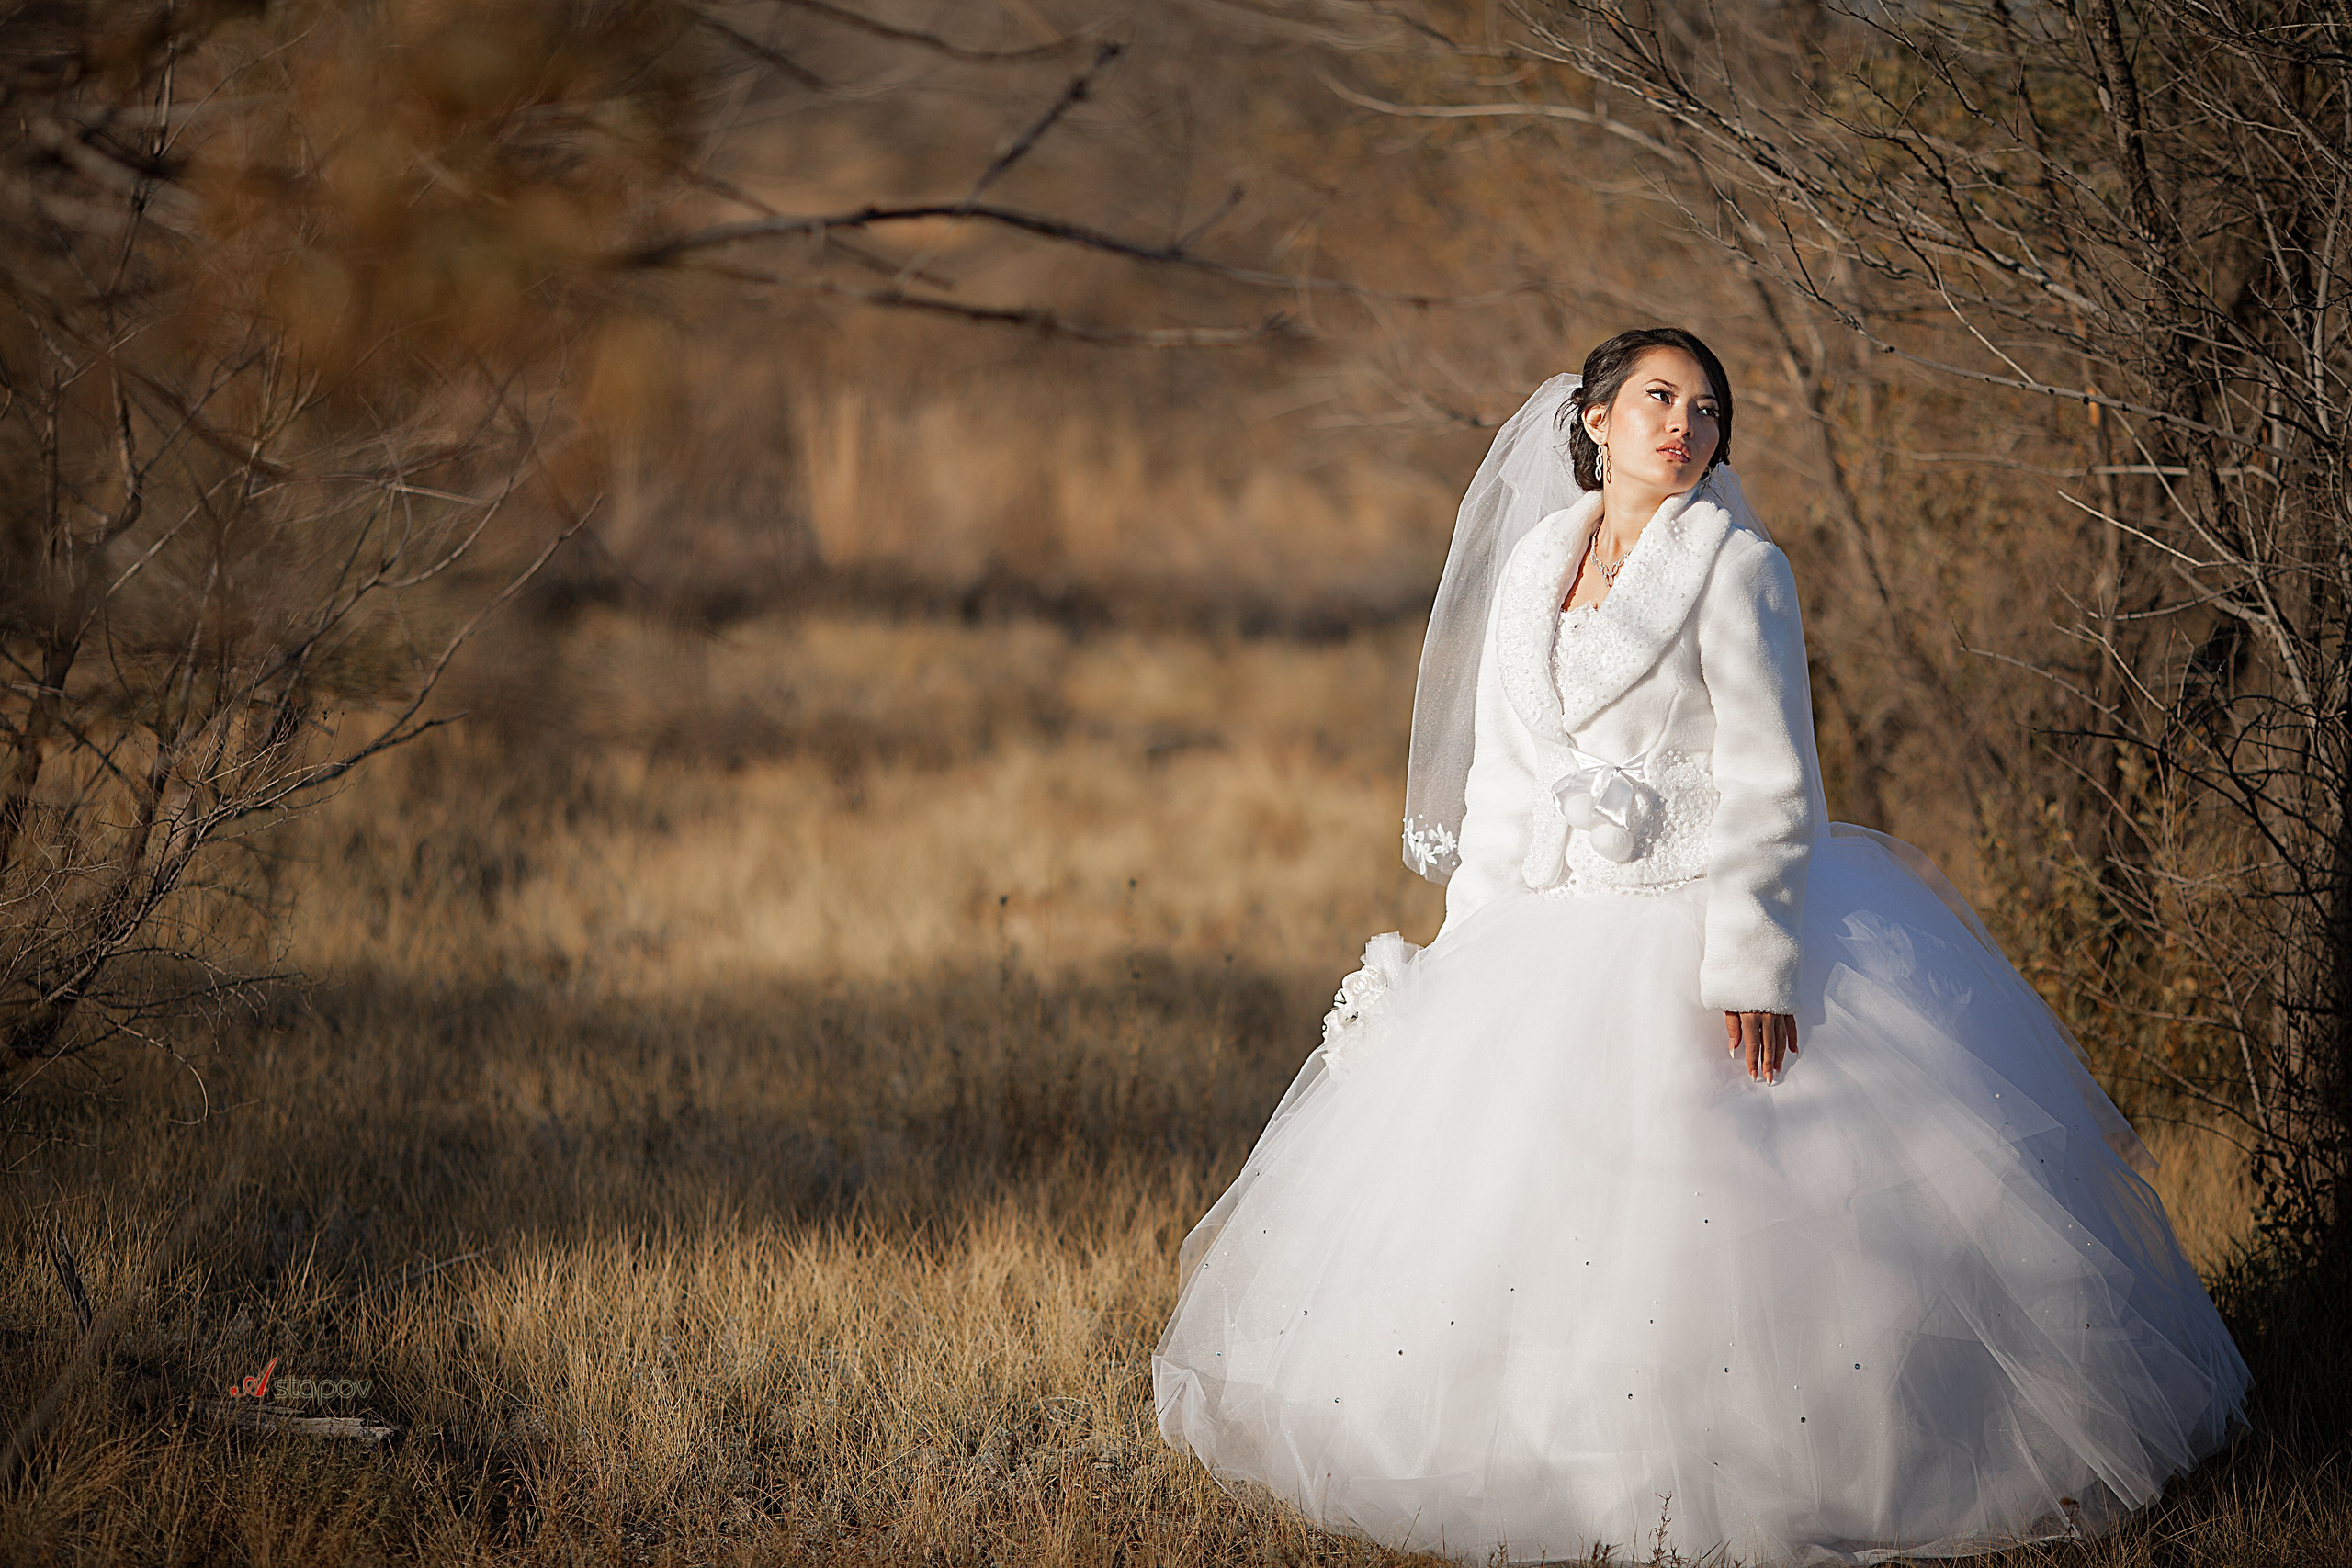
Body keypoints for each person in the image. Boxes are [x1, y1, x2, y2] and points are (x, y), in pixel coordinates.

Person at [1150, 329, 2251, 1565]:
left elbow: (1773, 783)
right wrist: (1469, 945)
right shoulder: (1532, 569)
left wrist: (1752, 966)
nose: (1685, 423)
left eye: (1708, 409)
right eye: (1658, 399)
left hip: (1695, 913)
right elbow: (1510, 782)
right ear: (1596, 420)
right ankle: (1557, 1478)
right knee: (1531, 1212)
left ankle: (1790, 1475)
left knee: (1724, 1222)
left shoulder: (1739, 572)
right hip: (1553, 932)